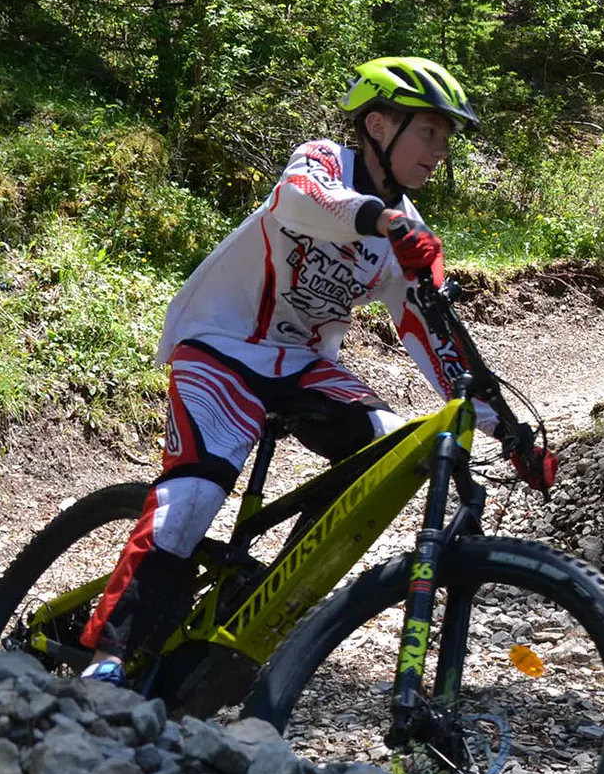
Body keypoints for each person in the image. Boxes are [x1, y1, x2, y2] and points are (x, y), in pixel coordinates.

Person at [77, 56, 553, 686]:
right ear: (379, 125)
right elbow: (297, 201)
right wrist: (379, 220)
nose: (440, 150)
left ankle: (267, 595)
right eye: (429, 132)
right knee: (193, 497)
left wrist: (508, 432)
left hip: (301, 364)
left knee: (394, 446)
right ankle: (105, 659)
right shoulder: (325, 161)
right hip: (221, 346)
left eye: (446, 137)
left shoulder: (411, 235)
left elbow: (440, 344)